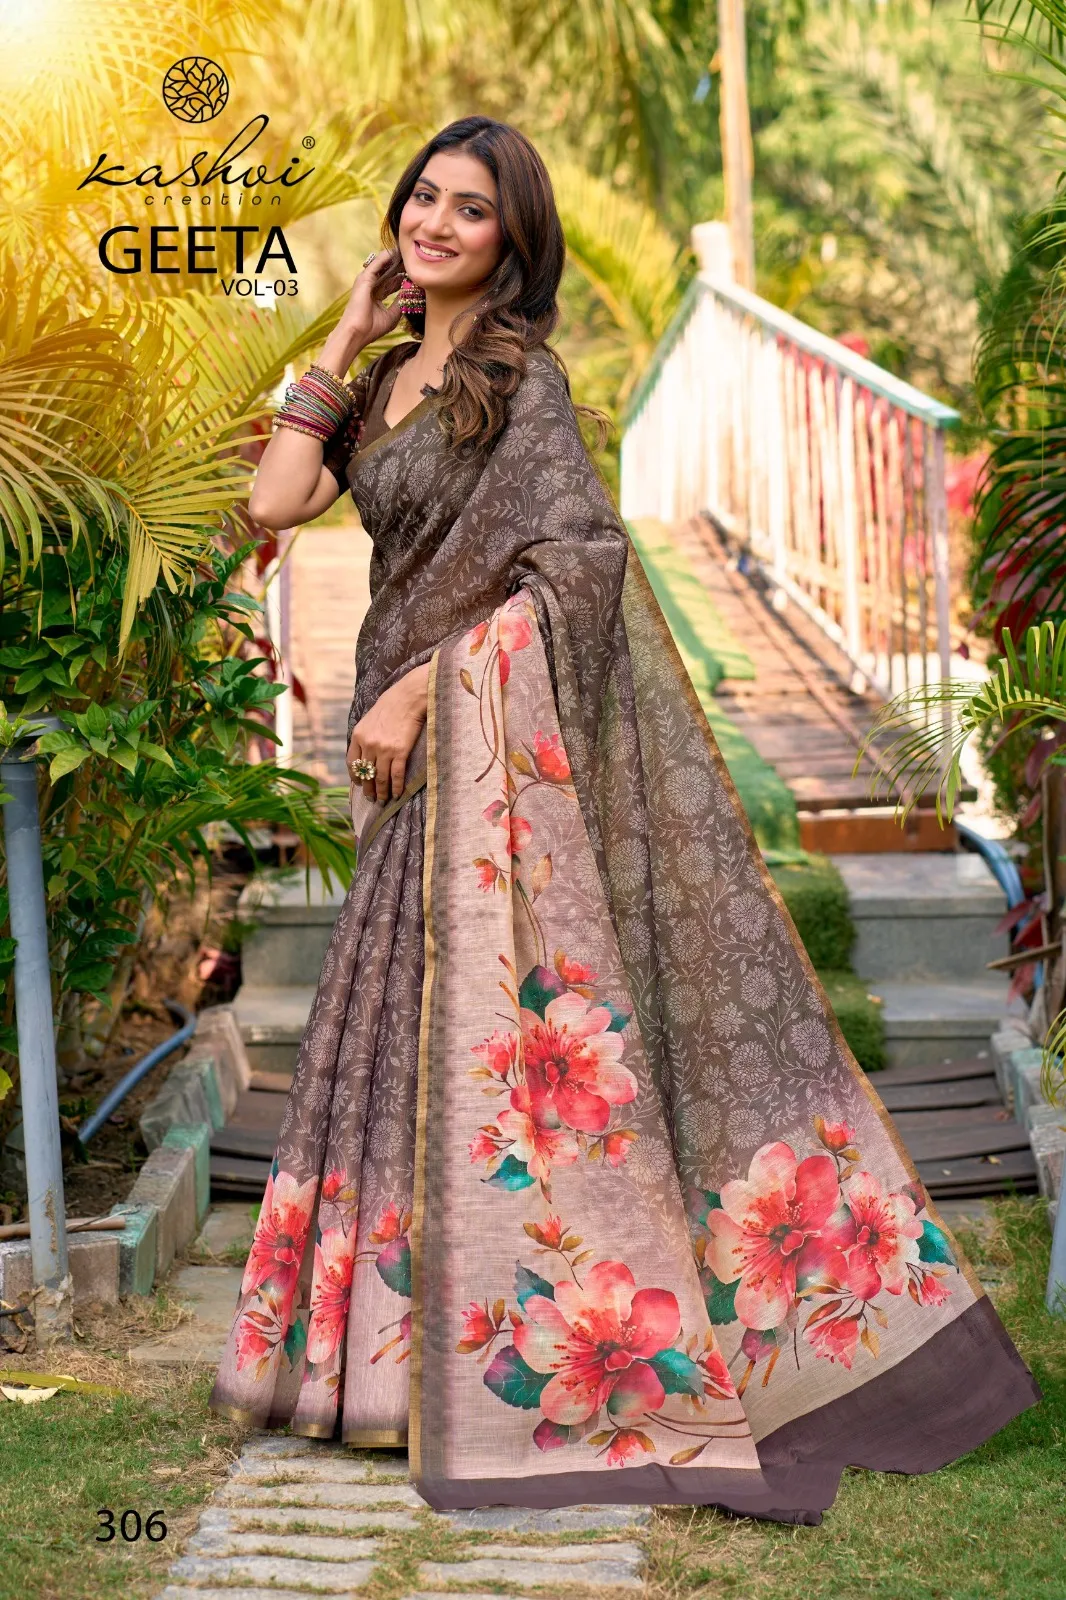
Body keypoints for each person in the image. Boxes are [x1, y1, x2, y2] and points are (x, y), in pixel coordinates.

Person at [209, 115, 1038, 1521]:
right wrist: (342, 336)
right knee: (395, 1024)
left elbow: (580, 563)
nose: (434, 223)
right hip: (394, 746)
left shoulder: (519, 381)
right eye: (423, 198)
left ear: (511, 240)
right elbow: (271, 500)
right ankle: (386, 1370)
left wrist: (419, 688)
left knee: (474, 1032)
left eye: (469, 209)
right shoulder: (380, 379)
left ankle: (492, 1364)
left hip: (471, 737)